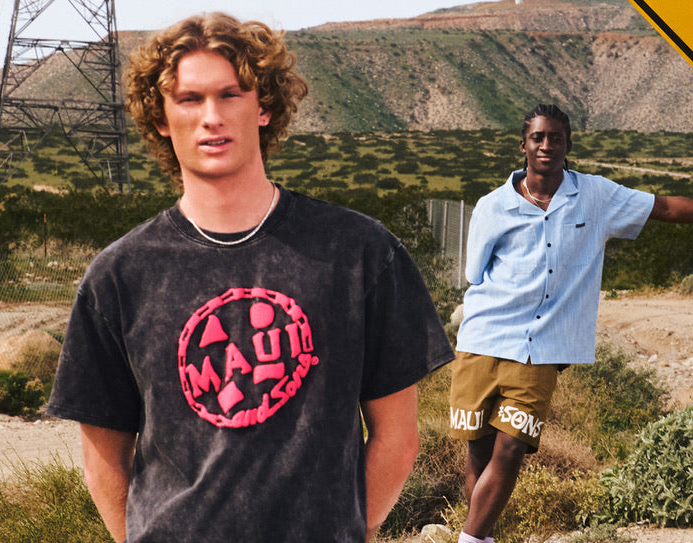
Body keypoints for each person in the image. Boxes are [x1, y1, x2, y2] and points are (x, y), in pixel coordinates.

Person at [44, 13, 454, 542]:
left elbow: (398, 439)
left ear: (264, 107)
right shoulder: (120, 276)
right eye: (189, 99)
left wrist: (346, 529)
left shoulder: (358, 253)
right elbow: (103, 459)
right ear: (161, 118)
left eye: (230, 94)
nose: (211, 117)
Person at [446, 104, 693, 543]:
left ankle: (467, 539)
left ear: (568, 144)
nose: (546, 145)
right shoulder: (492, 206)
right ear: (523, 145)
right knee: (478, 454)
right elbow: (475, 274)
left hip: (539, 348)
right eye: (538, 137)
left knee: (513, 446)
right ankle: (481, 535)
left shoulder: (596, 196)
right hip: (483, 340)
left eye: (555, 137)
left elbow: (666, 208)